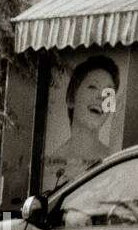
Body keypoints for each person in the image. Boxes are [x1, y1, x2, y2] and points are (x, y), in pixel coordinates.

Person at [46, 55, 119, 187]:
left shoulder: (115, 161)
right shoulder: (51, 163)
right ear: (71, 99)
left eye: (109, 93)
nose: (101, 97)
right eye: (92, 87)